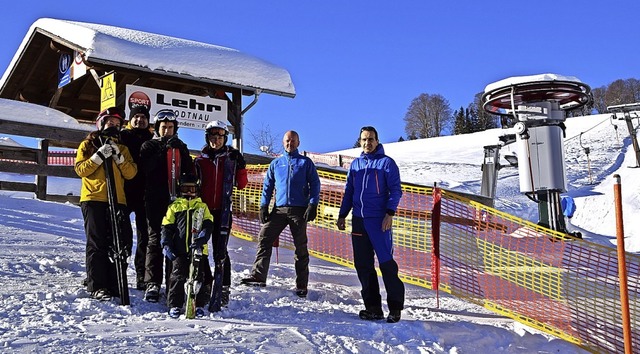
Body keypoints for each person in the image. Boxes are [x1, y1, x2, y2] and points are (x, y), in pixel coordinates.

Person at [336, 126, 405, 323]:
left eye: (371, 139)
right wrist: (343, 215)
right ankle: (373, 308)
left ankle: (395, 308)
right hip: (358, 221)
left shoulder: (387, 164)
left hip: (379, 221)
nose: (368, 143)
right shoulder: (356, 165)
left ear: (377, 141)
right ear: (360, 141)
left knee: (387, 264)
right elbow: (349, 192)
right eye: (364, 139)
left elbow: (396, 191)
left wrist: (390, 213)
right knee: (363, 266)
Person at [241, 131, 320, 298]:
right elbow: (268, 186)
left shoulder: (305, 163)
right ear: (283, 143)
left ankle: (301, 284)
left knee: (301, 247)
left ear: (298, 142)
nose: (289, 143)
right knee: (264, 237)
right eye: (287, 141)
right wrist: (263, 206)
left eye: (292, 140)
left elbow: (314, 183)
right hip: (279, 209)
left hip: (299, 210)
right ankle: (259, 275)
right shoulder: (276, 164)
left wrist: (313, 204)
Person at [74, 107, 137, 301]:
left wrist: (118, 157)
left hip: (117, 199)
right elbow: (81, 169)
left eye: (117, 124)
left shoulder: (123, 148)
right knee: (97, 242)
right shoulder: (88, 144)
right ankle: (97, 284)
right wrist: (98, 156)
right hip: (94, 198)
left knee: (120, 241)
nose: (114, 127)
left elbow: (131, 173)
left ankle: (114, 280)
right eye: (110, 123)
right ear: (101, 123)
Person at [139, 109, 194, 302]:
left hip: (177, 201)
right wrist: (162, 149)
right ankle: (152, 282)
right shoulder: (149, 145)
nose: (167, 131)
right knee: (154, 240)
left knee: (177, 241)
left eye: (170, 128)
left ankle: (174, 281)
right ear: (157, 128)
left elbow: (190, 173)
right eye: (163, 127)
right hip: (155, 198)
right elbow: (146, 168)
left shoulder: (181, 147)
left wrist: (183, 153)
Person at [194, 120, 248, 308]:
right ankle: (206, 283)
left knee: (220, 251)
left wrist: (241, 167)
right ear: (207, 138)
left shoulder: (230, 158)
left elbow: (241, 184)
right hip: (203, 212)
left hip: (223, 211)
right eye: (212, 137)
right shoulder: (200, 160)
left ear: (225, 138)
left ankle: (223, 288)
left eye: (219, 137)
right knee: (199, 249)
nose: (215, 140)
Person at [161, 174, 214, 318]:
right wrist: (166, 243)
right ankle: (175, 304)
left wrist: (203, 236)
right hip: (179, 250)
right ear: (180, 189)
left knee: (198, 277)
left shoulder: (202, 207)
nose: (189, 192)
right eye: (185, 188)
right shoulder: (175, 207)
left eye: (192, 188)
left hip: (197, 250)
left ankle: (199, 304)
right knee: (177, 276)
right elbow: (167, 226)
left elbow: (209, 224)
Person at [119, 106, 154, 290]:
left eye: (143, 117)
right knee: (122, 234)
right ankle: (119, 271)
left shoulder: (152, 139)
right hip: (124, 192)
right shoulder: (123, 136)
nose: (140, 120)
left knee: (145, 237)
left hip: (145, 194)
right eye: (136, 117)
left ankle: (142, 275)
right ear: (130, 119)